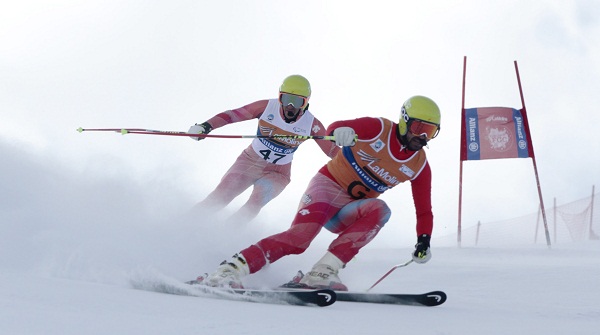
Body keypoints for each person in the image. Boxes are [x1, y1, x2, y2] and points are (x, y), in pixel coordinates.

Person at [196, 95, 441, 290]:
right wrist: (339, 132)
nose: (421, 136)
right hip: (326, 188)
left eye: (429, 132)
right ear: (404, 120)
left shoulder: (418, 165)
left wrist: (424, 240)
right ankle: (230, 269)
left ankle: (322, 272)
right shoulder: (378, 128)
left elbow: (424, 209)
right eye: (419, 127)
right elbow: (334, 128)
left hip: (347, 212)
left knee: (381, 210)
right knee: (301, 238)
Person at [188, 75, 339, 223]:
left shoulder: (312, 124)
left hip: (278, 173)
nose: (290, 106)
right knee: (219, 198)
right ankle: (183, 222)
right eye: (286, 99)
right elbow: (232, 115)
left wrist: (357, 159)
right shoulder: (265, 107)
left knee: (254, 204)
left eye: (297, 101)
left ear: (306, 103)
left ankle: (225, 235)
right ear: (279, 97)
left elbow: (332, 151)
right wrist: (205, 126)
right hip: (249, 162)